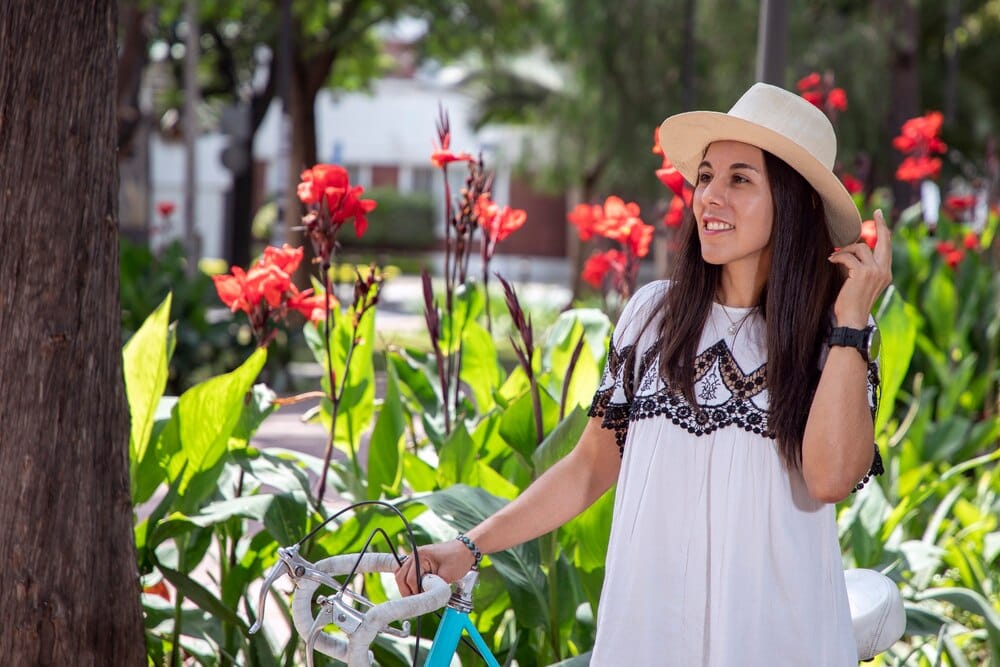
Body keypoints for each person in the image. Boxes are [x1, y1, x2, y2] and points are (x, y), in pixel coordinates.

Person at [395, 82, 892, 666]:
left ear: (796, 204)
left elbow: (831, 479)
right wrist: (469, 546)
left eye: (740, 179)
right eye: (705, 176)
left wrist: (850, 322)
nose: (710, 197)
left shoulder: (835, 333)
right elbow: (588, 468)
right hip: (650, 635)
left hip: (776, 640)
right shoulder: (653, 316)